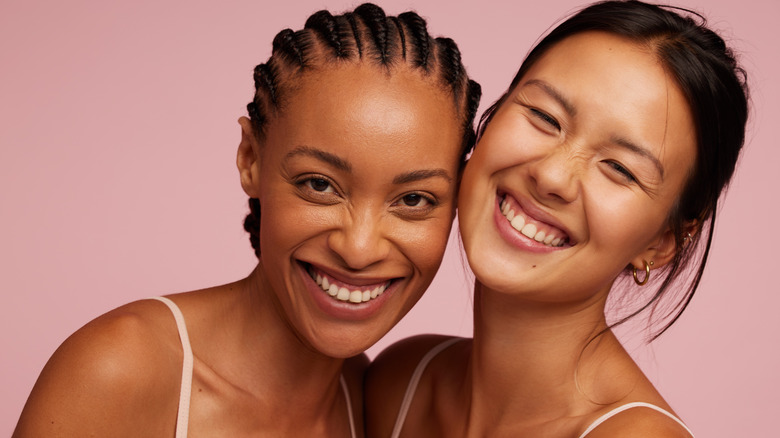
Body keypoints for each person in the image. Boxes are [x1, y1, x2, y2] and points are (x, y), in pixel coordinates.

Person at [13, 3, 480, 437]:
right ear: (250, 157)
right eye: (319, 185)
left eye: (414, 199)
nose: (359, 249)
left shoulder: (369, 403)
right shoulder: (120, 371)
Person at [366, 1, 748, 437]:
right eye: (545, 117)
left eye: (619, 168)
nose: (551, 176)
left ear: (661, 242)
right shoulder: (402, 381)